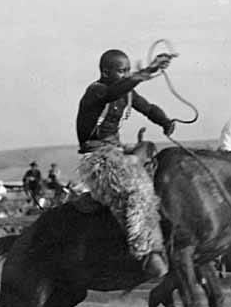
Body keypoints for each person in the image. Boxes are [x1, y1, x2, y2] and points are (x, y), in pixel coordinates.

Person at [75, 49, 176, 278]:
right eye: (122, 71)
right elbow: (114, 92)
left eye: (128, 70)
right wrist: (146, 72)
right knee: (138, 190)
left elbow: (148, 108)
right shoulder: (97, 91)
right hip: (99, 159)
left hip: (118, 151)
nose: (126, 74)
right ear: (105, 72)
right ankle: (146, 252)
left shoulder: (126, 92)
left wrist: (164, 121)